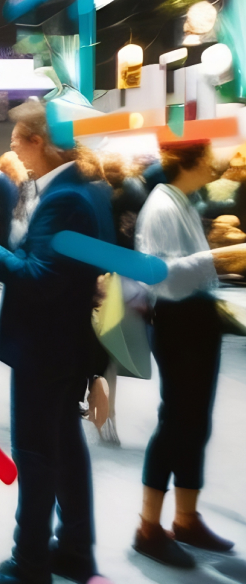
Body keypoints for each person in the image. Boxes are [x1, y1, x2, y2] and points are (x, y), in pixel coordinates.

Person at [0, 100, 115, 584]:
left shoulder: (64, 197)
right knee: (65, 447)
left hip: (45, 344)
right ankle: (75, 550)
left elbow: (39, 278)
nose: (13, 149)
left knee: (37, 454)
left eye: (17, 140)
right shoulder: (85, 187)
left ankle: (29, 563)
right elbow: (60, 264)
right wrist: (0, 240)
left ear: (39, 142)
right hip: (66, 341)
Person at [133, 141, 246, 568]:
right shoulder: (163, 205)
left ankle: (185, 518)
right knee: (176, 423)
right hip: (178, 323)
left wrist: (213, 252)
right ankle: (148, 527)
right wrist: (218, 257)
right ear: (194, 161)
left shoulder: (181, 198)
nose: (218, 160)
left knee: (194, 423)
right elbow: (161, 276)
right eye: (210, 154)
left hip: (195, 322)